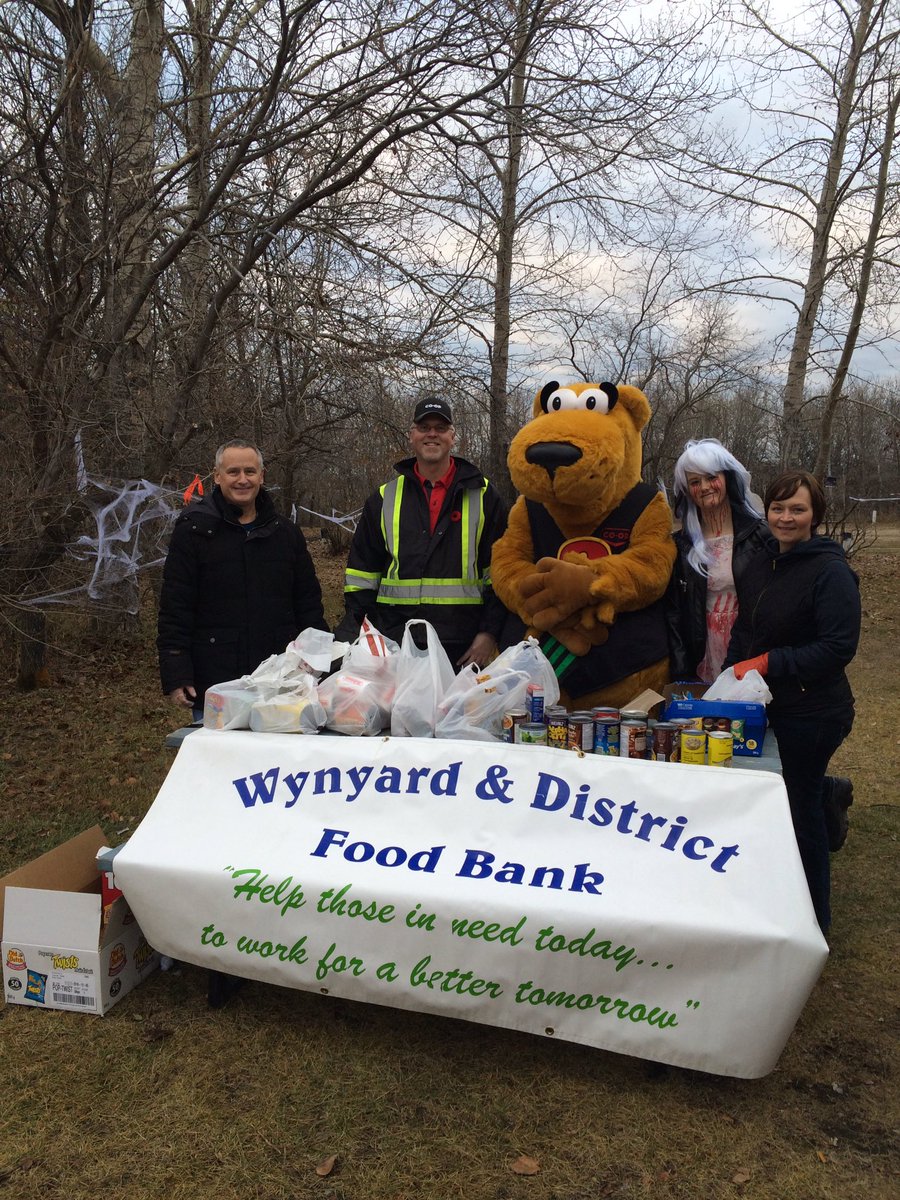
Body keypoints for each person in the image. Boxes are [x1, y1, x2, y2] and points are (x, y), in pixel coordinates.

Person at [724, 469, 861, 935]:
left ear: (814, 515)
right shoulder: (763, 561)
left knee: (798, 812)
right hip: (764, 703)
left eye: (797, 509)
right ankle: (826, 791)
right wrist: (730, 669)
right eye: (778, 508)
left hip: (815, 710)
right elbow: (748, 625)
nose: (785, 517)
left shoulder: (831, 570)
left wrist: (769, 662)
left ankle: (812, 924)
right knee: (775, 791)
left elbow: (838, 647)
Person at [335, 397, 507, 667]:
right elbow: (361, 578)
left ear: (452, 436)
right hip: (395, 643)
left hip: (462, 647)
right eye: (424, 427)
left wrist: (489, 633)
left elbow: (500, 575)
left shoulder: (484, 496)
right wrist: (366, 635)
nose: (432, 434)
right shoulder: (383, 498)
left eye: (440, 427)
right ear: (412, 435)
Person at [157, 439, 327, 710]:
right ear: (217, 476)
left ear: (262, 476)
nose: (242, 480)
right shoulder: (194, 530)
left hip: (281, 678)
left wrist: (319, 663)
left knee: (278, 753)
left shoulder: (285, 533)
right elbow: (176, 607)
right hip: (215, 678)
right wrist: (177, 672)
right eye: (233, 472)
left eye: (249, 471)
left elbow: (307, 603)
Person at [665, 438, 770, 683]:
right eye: (694, 481)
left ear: (727, 478)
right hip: (701, 650)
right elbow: (674, 614)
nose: (704, 487)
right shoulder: (681, 545)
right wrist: (680, 671)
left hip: (748, 646)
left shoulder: (758, 536)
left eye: (711, 477)